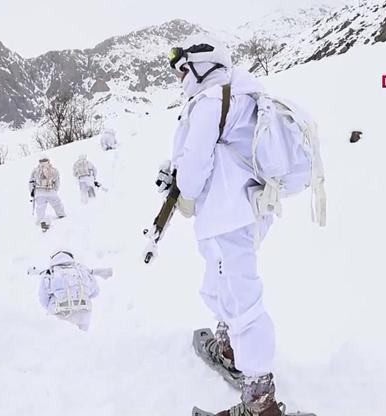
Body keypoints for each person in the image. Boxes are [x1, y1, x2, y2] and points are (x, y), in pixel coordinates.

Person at [167, 34, 289, 416]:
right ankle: (231, 348)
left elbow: (192, 171)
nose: (181, 78)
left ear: (201, 66)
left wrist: (182, 186)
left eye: (183, 70)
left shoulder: (209, 103)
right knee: (224, 282)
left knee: (242, 298)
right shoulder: (245, 94)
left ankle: (259, 401)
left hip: (226, 213)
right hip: (246, 209)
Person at [31, 250, 112, 331]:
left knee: (61, 340)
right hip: (83, 314)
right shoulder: (82, 270)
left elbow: (43, 299)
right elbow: (95, 292)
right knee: (82, 339)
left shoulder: (49, 273)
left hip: (60, 315)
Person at [29, 157, 66, 231]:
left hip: (39, 192)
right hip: (50, 191)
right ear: (48, 161)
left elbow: (31, 182)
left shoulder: (35, 170)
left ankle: (41, 221)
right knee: (57, 204)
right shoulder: (53, 170)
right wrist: (55, 190)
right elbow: (57, 181)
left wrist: (32, 192)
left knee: (40, 207)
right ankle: (61, 215)